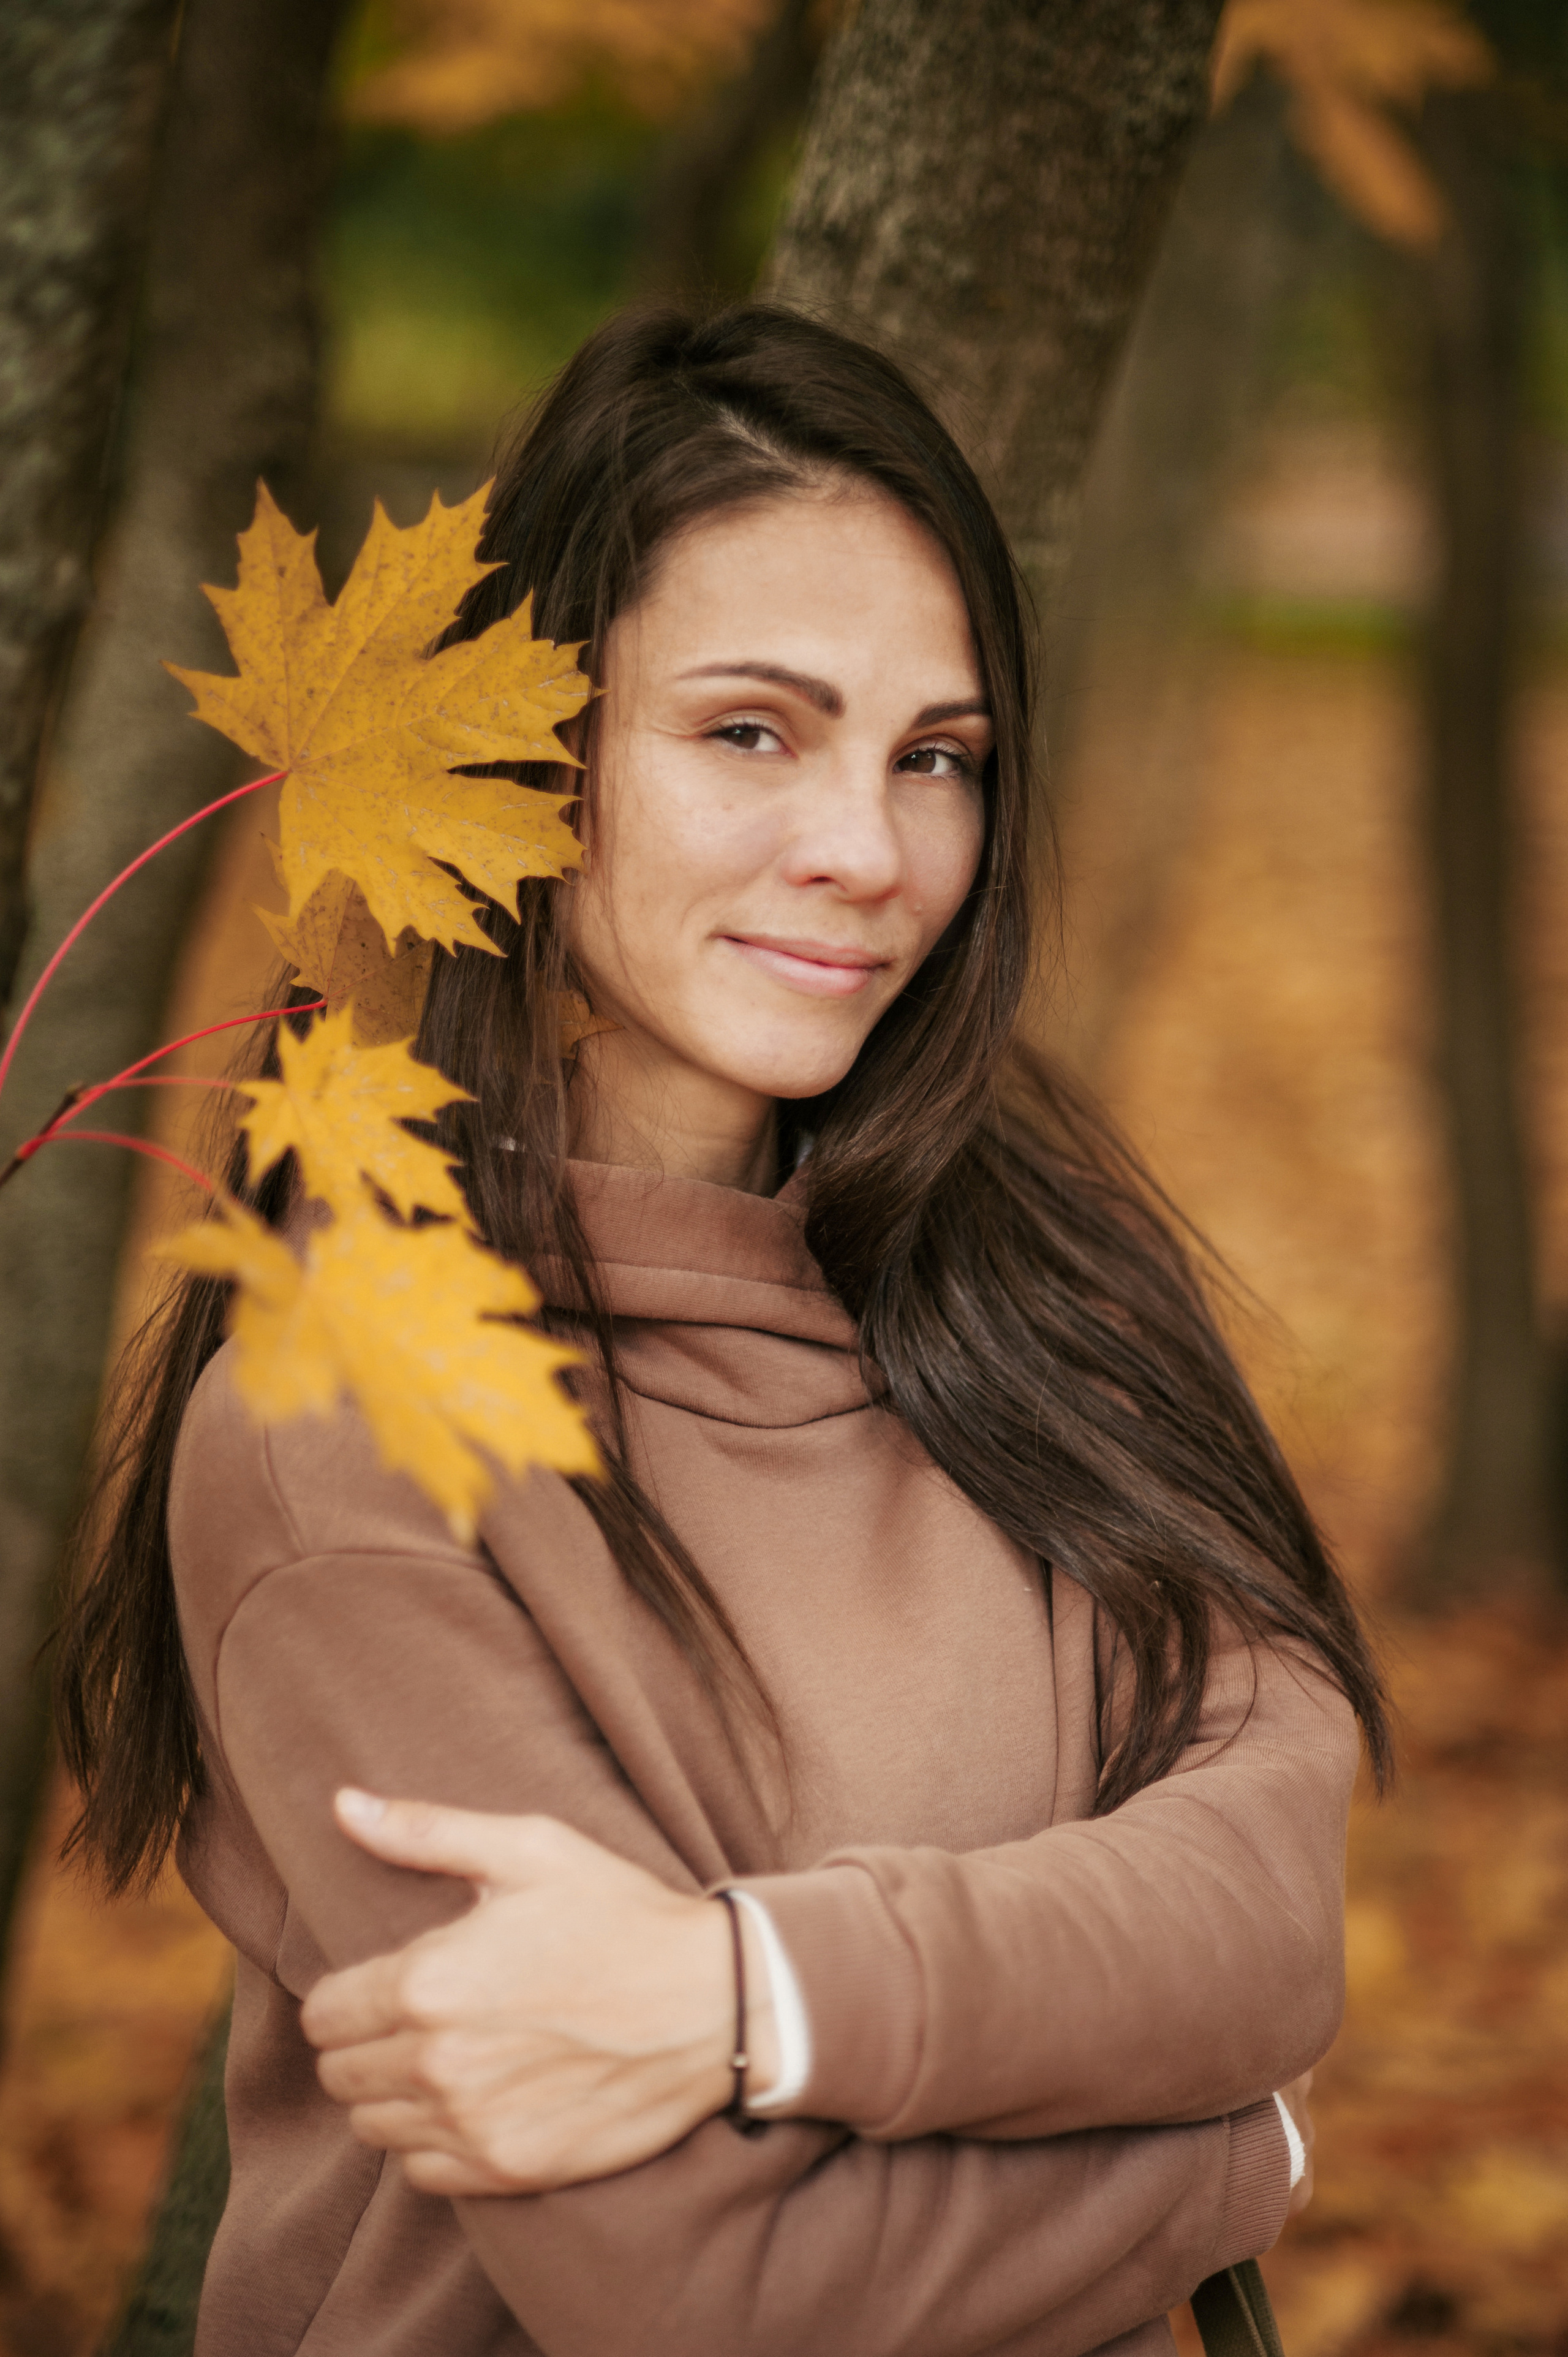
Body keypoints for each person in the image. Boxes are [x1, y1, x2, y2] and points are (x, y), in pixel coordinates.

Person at [58, 305, 1386, 2357]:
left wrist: (737, 1994)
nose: (866, 852)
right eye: (752, 731)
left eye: (935, 759)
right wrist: (1237, 2157)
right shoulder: (344, 1430)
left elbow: (1270, 1915)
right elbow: (711, 2289)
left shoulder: (1051, 1296)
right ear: (530, 751)